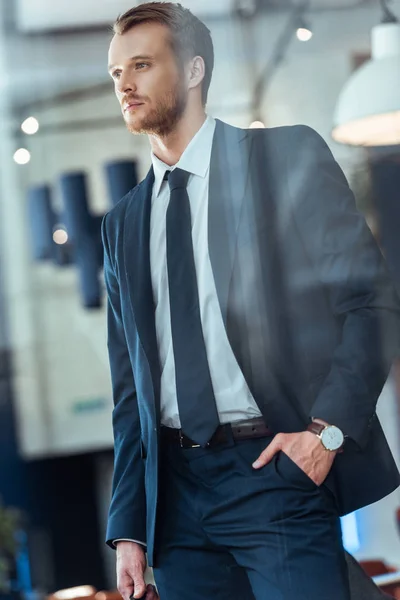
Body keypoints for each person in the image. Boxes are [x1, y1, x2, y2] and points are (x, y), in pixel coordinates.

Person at [102, 3, 400, 599]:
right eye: (116, 74)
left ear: (192, 70)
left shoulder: (282, 160)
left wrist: (328, 433)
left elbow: (373, 305)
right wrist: (130, 525)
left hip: (271, 469)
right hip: (177, 506)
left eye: (141, 65)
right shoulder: (123, 223)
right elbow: (130, 391)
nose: (125, 85)